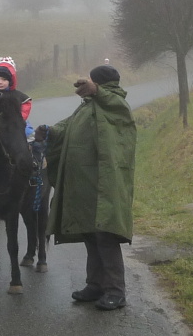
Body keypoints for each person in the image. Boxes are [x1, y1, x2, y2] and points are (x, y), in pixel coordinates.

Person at [41, 65, 136, 311]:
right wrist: (49, 132)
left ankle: (116, 291)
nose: (89, 85)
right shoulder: (88, 106)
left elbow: (113, 105)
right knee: (91, 234)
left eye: (93, 81)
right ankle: (95, 285)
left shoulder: (116, 104)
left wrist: (97, 91)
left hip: (105, 184)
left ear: (101, 84)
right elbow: (68, 126)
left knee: (105, 235)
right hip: (86, 183)